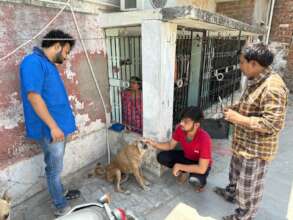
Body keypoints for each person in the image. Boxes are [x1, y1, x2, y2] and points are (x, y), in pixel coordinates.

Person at [214, 43, 288, 220]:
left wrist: (237, 118)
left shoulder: (273, 87)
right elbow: (248, 104)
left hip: (256, 150)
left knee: (248, 188)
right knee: (235, 175)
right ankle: (231, 194)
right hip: (243, 144)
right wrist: (233, 109)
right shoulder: (255, 80)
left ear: (253, 63)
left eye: (241, 62)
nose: (240, 66)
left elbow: (272, 124)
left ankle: (243, 216)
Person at [19, 30, 81, 216]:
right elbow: (34, 96)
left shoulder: (47, 64)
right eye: (66, 51)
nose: (67, 55)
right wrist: (53, 127)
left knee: (56, 167)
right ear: (57, 46)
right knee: (54, 169)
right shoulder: (32, 62)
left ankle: (60, 193)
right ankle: (60, 206)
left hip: (59, 128)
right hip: (51, 130)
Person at [145, 106, 212, 192]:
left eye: (185, 122)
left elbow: (202, 168)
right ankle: (184, 171)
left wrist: (179, 166)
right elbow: (170, 145)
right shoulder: (180, 130)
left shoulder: (204, 139)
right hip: (186, 157)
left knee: (196, 181)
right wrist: (154, 144)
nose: (181, 123)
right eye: (181, 120)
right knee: (161, 157)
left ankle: (197, 181)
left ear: (196, 125)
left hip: (200, 163)